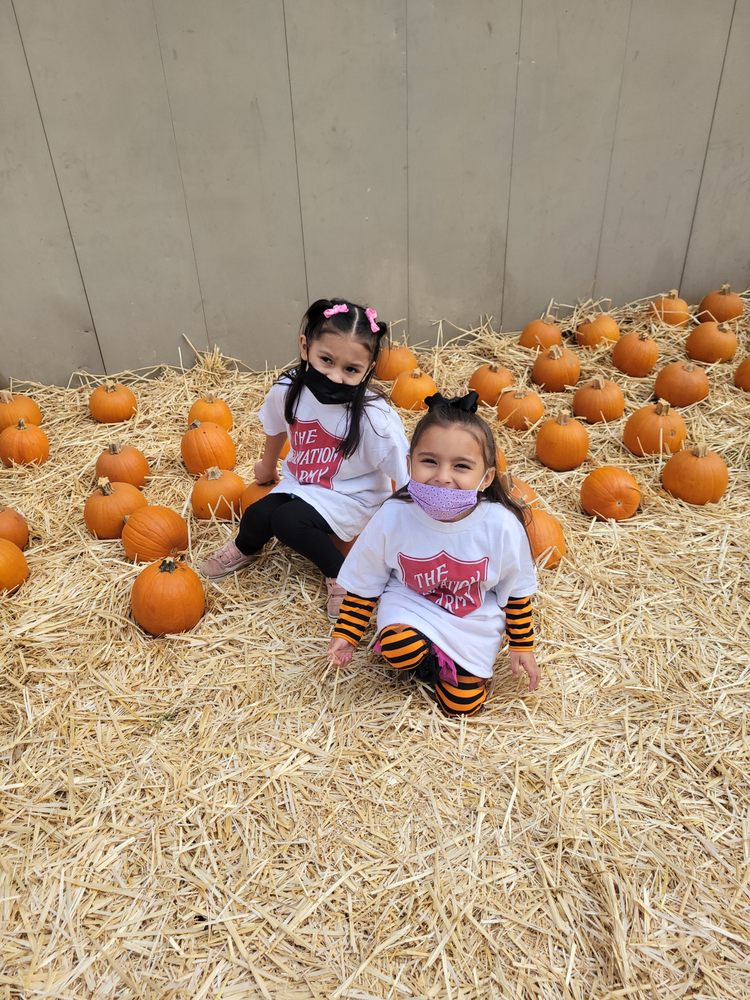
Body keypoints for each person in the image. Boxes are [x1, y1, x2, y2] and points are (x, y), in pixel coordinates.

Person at [327, 390, 540, 715]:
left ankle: (452, 665)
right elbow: (367, 581)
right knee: (399, 647)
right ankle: (431, 659)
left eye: (461, 466)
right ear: (409, 463)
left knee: (463, 707)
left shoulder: (500, 526)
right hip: (412, 603)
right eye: (429, 461)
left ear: (486, 478)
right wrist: (347, 633)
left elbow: (515, 592)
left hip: (471, 617)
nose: (442, 477)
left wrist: (522, 645)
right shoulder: (393, 515)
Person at [200, 298, 409, 618]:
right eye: (326, 360)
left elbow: (403, 471)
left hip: (354, 495)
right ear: (305, 347)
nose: (335, 376)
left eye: (351, 369)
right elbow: (277, 429)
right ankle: (242, 550)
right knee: (257, 514)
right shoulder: (289, 390)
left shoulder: (374, 418)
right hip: (306, 483)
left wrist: (401, 527)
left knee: (287, 521)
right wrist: (267, 467)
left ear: (368, 369)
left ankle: (341, 576)